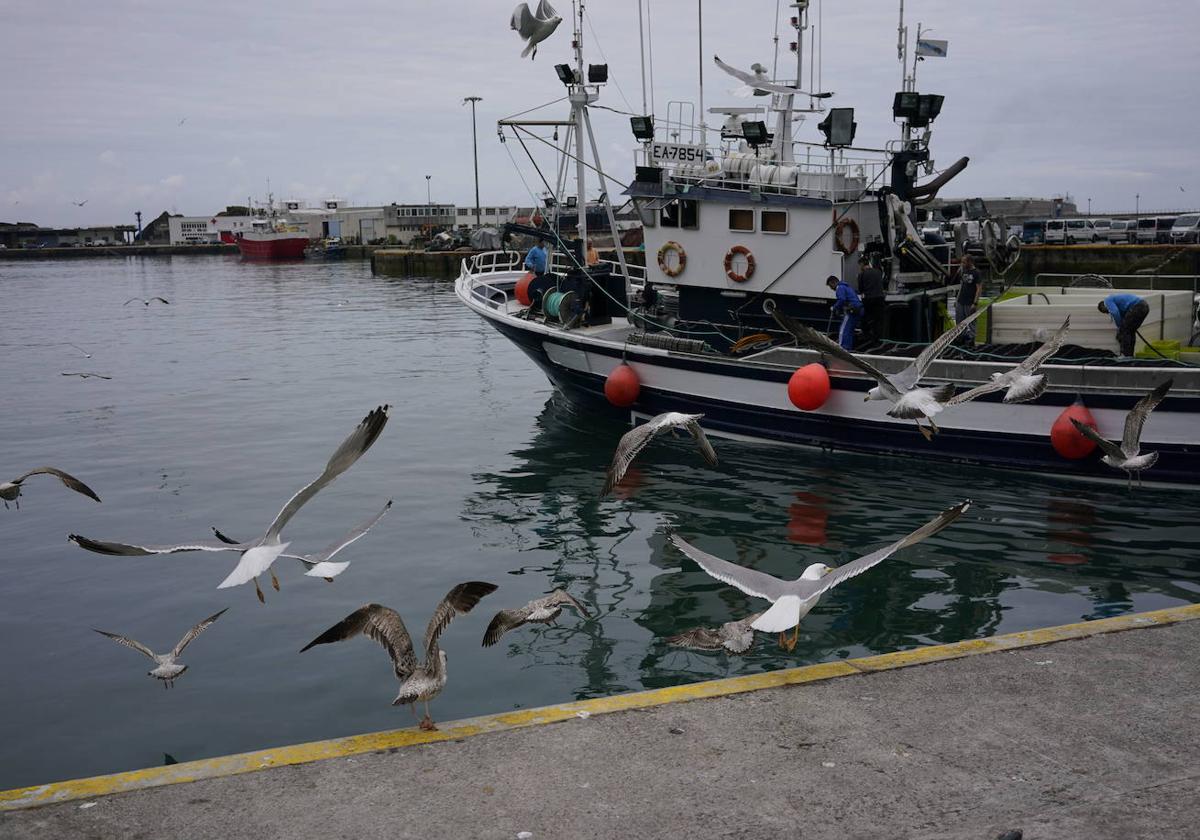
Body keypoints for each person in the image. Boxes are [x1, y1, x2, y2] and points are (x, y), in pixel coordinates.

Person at [1098, 293, 1149, 357]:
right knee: (1130, 331)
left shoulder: (1107, 301)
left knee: (1124, 330)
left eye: (1106, 311)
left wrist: (1119, 327)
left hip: (1137, 306)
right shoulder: (1118, 304)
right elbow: (1123, 316)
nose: (1108, 312)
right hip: (1145, 307)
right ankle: (1130, 355)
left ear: (1103, 306)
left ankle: (1125, 355)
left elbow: (1115, 312)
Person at [826, 274, 863, 351]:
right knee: (850, 329)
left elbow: (842, 299)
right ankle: (848, 347)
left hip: (852, 309)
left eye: (830, 286)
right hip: (859, 309)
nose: (831, 288)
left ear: (834, 282)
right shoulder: (847, 287)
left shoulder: (840, 288)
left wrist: (834, 307)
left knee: (844, 329)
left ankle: (843, 348)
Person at [856, 255, 886, 346]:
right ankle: (878, 339)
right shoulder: (878, 272)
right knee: (878, 320)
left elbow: (861, 289)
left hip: (869, 298)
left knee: (866, 318)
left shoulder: (862, 274)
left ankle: (867, 337)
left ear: (861, 264)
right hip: (880, 298)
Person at [954, 254, 982, 346]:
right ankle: (961, 336)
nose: (962, 264)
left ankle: (972, 338)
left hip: (970, 301)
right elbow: (962, 286)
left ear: (970, 262)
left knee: (971, 321)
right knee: (959, 321)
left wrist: (975, 302)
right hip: (961, 300)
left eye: (964, 262)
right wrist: (957, 299)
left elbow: (979, 288)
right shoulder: (963, 271)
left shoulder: (976, 273)